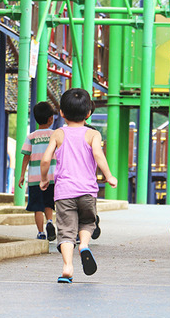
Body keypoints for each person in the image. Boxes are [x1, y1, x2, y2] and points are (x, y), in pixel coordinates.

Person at [39, 88, 117, 284]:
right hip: (87, 191)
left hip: (64, 192)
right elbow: (99, 156)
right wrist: (108, 176)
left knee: (65, 231)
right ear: (88, 113)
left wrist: (43, 179)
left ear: (62, 113)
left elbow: (46, 159)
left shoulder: (58, 133)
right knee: (87, 223)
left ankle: (67, 267)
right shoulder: (93, 134)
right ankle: (83, 245)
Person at [17, 101, 57, 241]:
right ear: (51, 119)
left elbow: (26, 157)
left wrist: (22, 175)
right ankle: (50, 222)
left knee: (37, 207)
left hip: (35, 179)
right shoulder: (55, 135)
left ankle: (41, 232)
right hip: (51, 177)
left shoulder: (31, 137)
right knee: (48, 204)